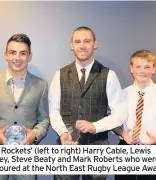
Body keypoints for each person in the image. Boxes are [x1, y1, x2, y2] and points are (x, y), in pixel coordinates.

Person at [85, 49, 156, 180]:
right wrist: (122, 133)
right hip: (125, 147)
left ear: (154, 69)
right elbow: (112, 121)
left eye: (147, 67)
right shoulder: (120, 96)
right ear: (131, 69)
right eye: (138, 66)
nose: (142, 71)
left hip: (155, 149)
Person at [49, 26, 122, 180]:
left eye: (87, 41)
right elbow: (53, 110)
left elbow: (120, 113)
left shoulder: (109, 75)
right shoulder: (60, 74)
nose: (82, 46)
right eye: (77, 41)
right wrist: (63, 131)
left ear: (95, 44)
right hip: (67, 144)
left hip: (98, 144)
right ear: (71, 45)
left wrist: (95, 126)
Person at [0, 33, 50, 180]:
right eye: (12, 52)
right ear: (5, 55)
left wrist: (34, 135)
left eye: (23, 53)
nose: (17, 58)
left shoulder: (41, 85)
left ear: (29, 56)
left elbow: (45, 119)